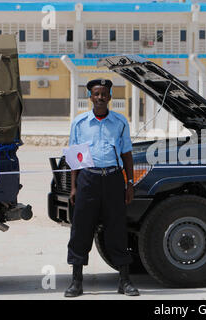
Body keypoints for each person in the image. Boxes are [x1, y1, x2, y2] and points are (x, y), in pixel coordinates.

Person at [64, 79, 139, 297]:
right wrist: (74, 187)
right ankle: (76, 282)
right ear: (90, 97)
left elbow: (126, 154)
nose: (100, 97)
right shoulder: (79, 123)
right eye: (96, 94)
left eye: (104, 94)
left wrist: (130, 183)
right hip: (89, 180)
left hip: (113, 179)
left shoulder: (120, 122)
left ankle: (124, 281)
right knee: (81, 229)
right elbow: (75, 156)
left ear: (110, 97)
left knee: (116, 229)